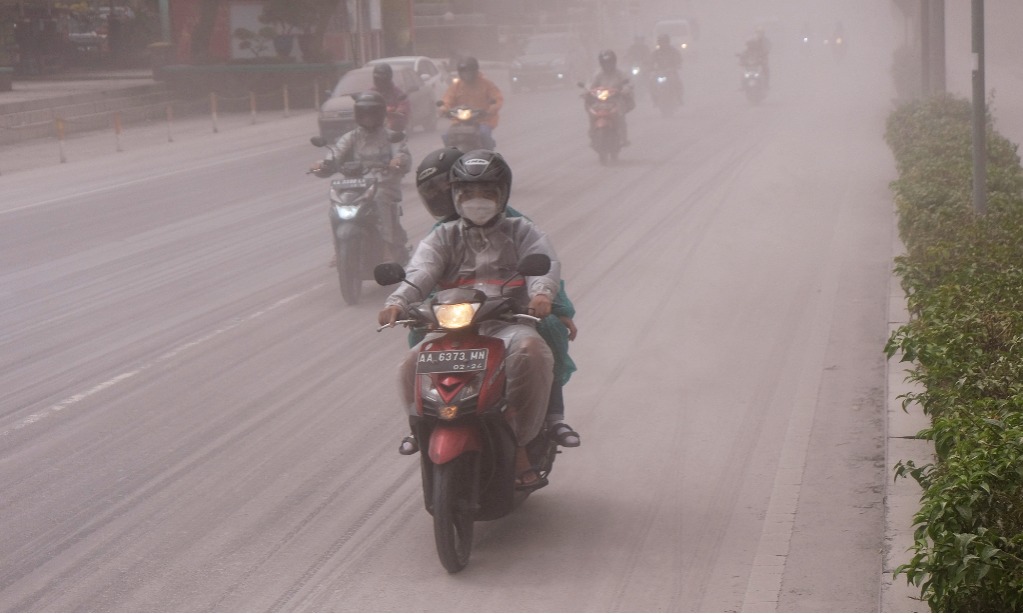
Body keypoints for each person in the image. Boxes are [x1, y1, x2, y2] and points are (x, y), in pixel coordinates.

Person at [378, 150, 563, 488]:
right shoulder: (442, 236)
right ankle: (419, 430)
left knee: (533, 355)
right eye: (468, 194)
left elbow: (544, 264)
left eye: (486, 194)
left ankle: (521, 445)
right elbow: (421, 271)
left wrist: (541, 295)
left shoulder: (523, 230)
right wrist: (398, 302)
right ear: (456, 196)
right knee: (409, 366)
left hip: (508, 326)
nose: (477, 202)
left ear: (502, 195)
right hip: (452, 328)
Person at [310, 91, 411, 263]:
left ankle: (387, 247)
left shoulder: (391, 136)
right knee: (336, 204)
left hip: (384, 184)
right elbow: (336, 153)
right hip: (356, 185)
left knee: (379, 199)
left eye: (372, 114)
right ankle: (339, 247)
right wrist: (324, 164)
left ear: (379, 115)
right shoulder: (351, 137)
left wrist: (398, 161)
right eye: (364, 114)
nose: (368, 118)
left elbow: (402, 155)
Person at [439, 56, 503, 150]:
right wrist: (444, 108)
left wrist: (491, 109)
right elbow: (448, 99)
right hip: (459, 121)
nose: (466, 74)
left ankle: (489, 157)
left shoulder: (486, 84)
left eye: (469, 71)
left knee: (484, 134)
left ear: (475, 71)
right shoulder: (456, 86)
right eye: (464, 72)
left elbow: (497, 98)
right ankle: (450, 157)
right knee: (446, 136)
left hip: (482, 120)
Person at [587, 49, 634, 146]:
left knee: (620, 117)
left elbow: (628, 83)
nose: (607, 65)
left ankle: (623, 138)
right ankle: (592, 133)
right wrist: (587, 91)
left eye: (609, 63)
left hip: (615, 100)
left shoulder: (620, 73)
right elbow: (590, 85)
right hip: (600, 101)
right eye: (605, 63)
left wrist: (625, 89)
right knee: (592, 114)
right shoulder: (598, 74)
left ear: (614, 62)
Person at [370, 63, 412, 133]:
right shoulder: (371, 92)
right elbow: (364, 104)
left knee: (397, 130)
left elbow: (404, 105)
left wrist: (398, 111)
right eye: (378, 79)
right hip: (373, 126)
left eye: (382, 79)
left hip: (394, 127)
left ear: (388, 78)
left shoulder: (398, 93)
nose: (380, 82)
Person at [650, 33, 683, 104]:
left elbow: (679, 59)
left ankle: (679, 98)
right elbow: (650, 61)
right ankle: (655, 99)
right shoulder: (656, 52)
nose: (663, 44)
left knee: (677, 82)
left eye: (664, 41)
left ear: (667, 42)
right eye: (661, 42)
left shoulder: (673, 51)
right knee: (652, 83)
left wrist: (676, 66)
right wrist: (650, 67)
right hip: (659, 72)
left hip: (671, 71)